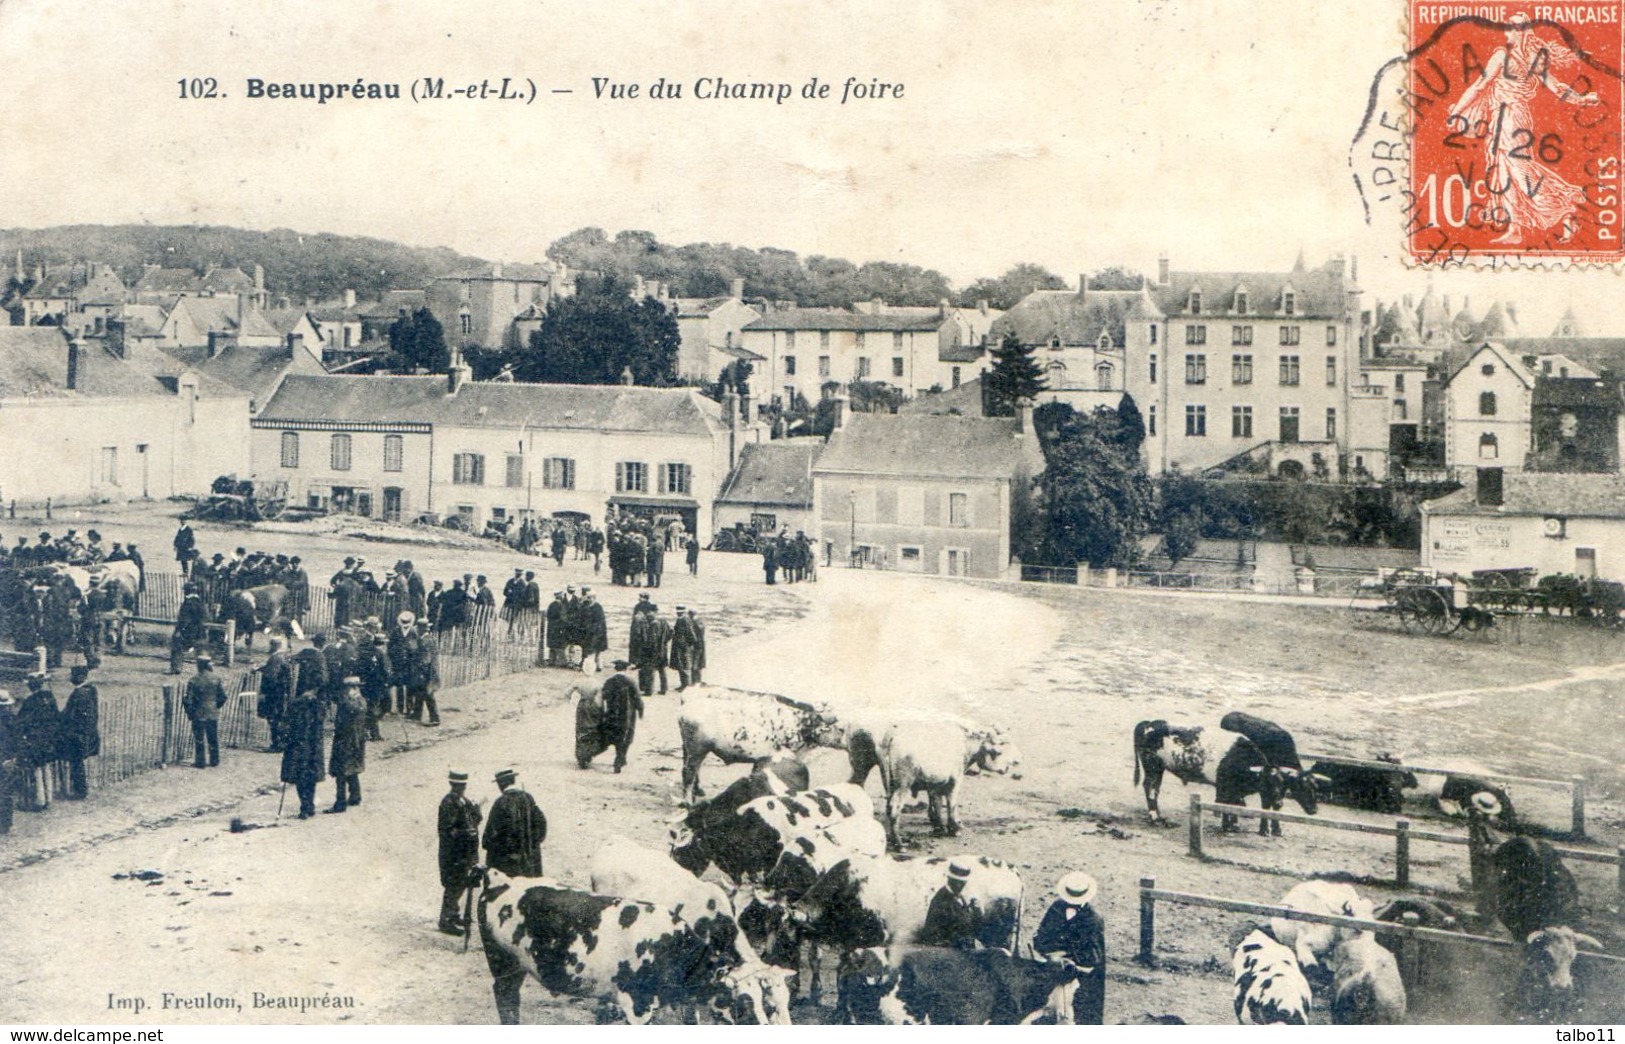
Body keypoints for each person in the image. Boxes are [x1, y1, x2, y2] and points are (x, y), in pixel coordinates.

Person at [1448, 13, 1601, 246]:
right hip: (1505, 117)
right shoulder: (1530, 58)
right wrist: (1581, 99)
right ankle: (1516, 228)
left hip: (1512, 117)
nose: (1507, 33)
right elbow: (1556, 87)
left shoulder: (1507, 56)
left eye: (1510, 29)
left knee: (1519, 171)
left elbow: (1480, 86)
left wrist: (1457, 111)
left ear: (1520, 31)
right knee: (1504, 170)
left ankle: (1566, 206)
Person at [1034, 872, 1106, 1025]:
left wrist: (1068, 958)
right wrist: (1053, 955)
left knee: (1080, 1013)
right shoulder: (1057, 908)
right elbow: (1042, 937)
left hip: (1082, 975)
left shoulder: (1093, 919)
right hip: (1053, 967)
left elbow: (1092, 957)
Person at [575, 662, 645, 773]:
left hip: (612, 715)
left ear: (615, 669)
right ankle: (619, 760)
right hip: (627, 716)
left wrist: (601, 712)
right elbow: (638, 699)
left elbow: (603, 697)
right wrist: (641, 711)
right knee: (625, 738)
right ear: (626, 670)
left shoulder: (610, 681)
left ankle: (586, 756)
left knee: (608, 737)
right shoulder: (631, 681)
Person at [437, 770, 483, 934]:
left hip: (465, 852)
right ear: (452, 785)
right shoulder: (448, 803)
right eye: (458, 785)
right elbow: (448, 831)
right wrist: (466, 832)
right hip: (453, 853)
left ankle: (454, 914)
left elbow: (476, 820)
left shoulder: (464, 801)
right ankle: (445, 920)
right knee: (453, 885)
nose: (461, 787)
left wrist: (477, 810)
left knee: (462, 882)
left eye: (463, 785)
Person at [280, 671, 327, 820]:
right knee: (311, 776)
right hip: (313, 746)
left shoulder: (294, 704)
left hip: (296, 745)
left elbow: (284, 725)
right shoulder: (319, 705)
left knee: (300, 776)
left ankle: (304, 806)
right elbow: (321, 723)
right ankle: (310, 805)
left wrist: (286, 740)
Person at [483, 768, 546, 876]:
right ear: (513, 780)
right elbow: (541, 824)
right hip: (530, 861)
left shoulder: (501, 802)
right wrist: (533, 845)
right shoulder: (528, 798)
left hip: (508, 863)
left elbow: (491, 834)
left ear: (501, 784)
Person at [15, 672, 61, 810]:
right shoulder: (49, 697)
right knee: (46, 767)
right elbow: (56, 716)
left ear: (30, 686)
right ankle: (49, 798)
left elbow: (22, 721)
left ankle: (39, 800)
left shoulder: (30, 702)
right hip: (49, 738)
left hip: (35, 739)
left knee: (37, 769)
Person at [918, 860, 982, 948]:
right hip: (948, 952)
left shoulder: (960, 897)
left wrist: (977, 911)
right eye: (957, 882)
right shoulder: (940, 900)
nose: (960, 886)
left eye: (963, 883)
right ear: (949, 879)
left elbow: (971, 927)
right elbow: (932, 935)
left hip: (963, 950)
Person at [326, 676, 367, 813]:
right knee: (351, 768)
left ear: (353, 688)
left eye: (347, 689)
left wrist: (343, 700)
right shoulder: (359, 701)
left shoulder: (354, 702)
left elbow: (351, 711)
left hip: (347, 740)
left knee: (341, 771)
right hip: (355, 740)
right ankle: (355, 796)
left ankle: (340, 803)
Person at [59, 665, 100, 801]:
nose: (71, 678)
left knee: (76, 763)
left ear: (81, 677)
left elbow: (72, 716)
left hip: (78, 734)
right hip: (87, 733)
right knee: (78, 763)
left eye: (74, 675)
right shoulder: (90, 690)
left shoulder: (79, 694)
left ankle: (80, 791)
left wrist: (60, 718)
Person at [183, 654, 227, 768]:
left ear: (199, 666)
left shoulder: (194, 680)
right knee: (213, 737)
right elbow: (223, 697)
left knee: (199, 738)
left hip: (199, 713)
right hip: (212, 712)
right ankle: (214, 760)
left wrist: (190, 713)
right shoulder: (215, 679)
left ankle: (200, 762)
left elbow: (188, 700)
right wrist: (215, 706)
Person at [1466, 791, 1503, 924]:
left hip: (1483, 855)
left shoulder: (1481, 822)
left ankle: (1485, 911)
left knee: (1485, 883)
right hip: (1484, 857)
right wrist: (1495, 848)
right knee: (1486, 882)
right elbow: (1481, 845)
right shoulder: (1478, 824)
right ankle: (1485, 913)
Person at [257, 635, 293, 752]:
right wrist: (260, 669)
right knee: (278, 716)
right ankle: (280, 742)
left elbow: (272, 676)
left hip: (274, 693)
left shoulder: (276, 658)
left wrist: (264, 692)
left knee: (273, 717)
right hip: (282, 692)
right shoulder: (283, 656)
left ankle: (276, 744)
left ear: (274, 645)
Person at [170, 584, 207, 674]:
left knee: (177, 645)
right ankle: (204, 670)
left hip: (188, 631)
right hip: (200, 631)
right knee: (201, 650)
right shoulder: (201, 602)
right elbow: (204, 616)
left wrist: (178, 630)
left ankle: (176, 668)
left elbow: (184, 618)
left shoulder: (188, 602)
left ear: (186, 591)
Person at [671, 606, 706, 689]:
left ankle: (693, 682)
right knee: (692, 664)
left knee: (692, 665)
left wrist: (691, 644)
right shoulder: (695, 621)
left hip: (695, 646)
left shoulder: (692, 621)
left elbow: (693, 635)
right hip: (694, 646)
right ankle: (693, 682)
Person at [579, 589, 608, 671]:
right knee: (590, 649)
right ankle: (592, 665)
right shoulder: (586, 606)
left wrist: (592, 629)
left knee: (595, 650)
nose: (588, 599)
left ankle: (596, 666)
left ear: (594, 598)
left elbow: (599, 622)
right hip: (588, 632)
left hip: (596, 632)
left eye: (590, 598)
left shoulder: (598, 607)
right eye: (587, 597)